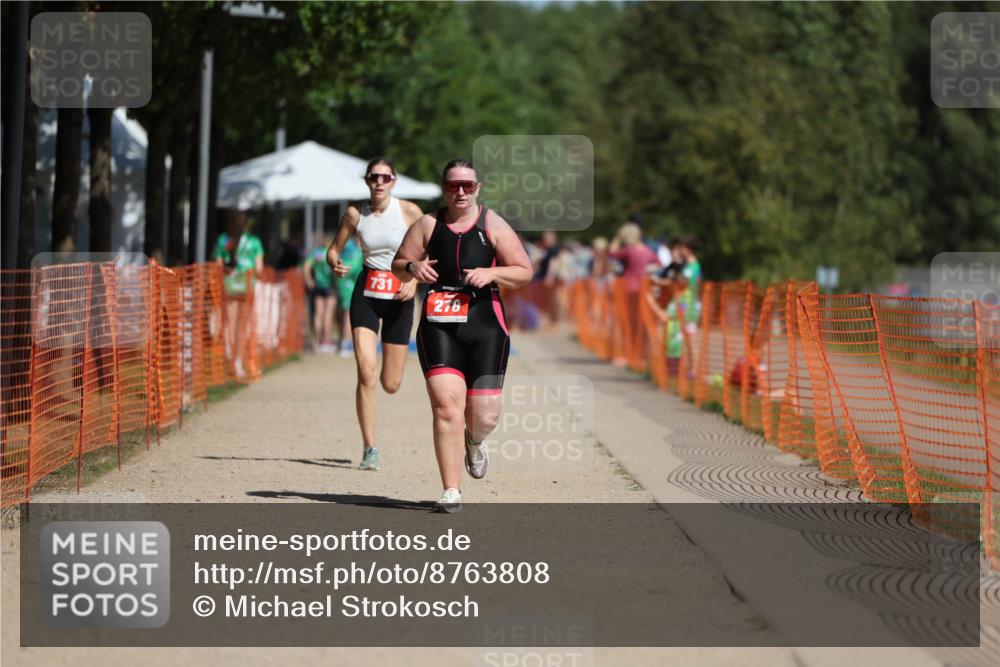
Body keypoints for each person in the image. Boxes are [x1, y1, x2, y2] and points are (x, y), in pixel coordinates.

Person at [392, 159, 532, 512]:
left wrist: (492, 272)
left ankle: (474, 440)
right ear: (444, 188)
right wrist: (413, 267)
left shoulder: (492, 224)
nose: (460, 191)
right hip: (439, 324)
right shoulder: (428, 224)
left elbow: (524, 271)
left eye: (467, 186)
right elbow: (398, 263)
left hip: (484, 323)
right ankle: (451, 490)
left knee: (483, 414)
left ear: (477, 189)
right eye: (454, 185)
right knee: (446, 406)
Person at [326, 158, 424, 470]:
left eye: (385, 177)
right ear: (367, 181)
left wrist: (416, 280)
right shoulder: (356, 214)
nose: (379, 182)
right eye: (373, 177)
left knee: (390, 383)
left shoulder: (408, 211)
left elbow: (432, 250)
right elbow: (333, 249)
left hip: (399, 296)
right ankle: (370, 448)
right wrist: (334, 262)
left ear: (393, 181)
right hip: (366, 294)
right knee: (366, 373)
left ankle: (387, 383)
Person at [213, 210, 264, 380]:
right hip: (239, 287)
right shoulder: (248, 241)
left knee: (236, 324)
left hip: (239, 287)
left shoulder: (227, 240)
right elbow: (259, 269)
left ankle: (234, 359)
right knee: (237, 325)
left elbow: (218, 265)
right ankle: (234, 360)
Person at [608, 222, 660, 366]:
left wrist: (617, 237)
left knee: (629, 323)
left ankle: (630, 353)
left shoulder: (630, 250)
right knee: (642, 322)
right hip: (644, 290)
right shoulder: (648, 251)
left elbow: (611, 252)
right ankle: (642, 354)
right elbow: (658, 264)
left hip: (630, 289)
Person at [304, 234, 336, 351]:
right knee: (328, 313)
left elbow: (306, 267)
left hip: (318, 286)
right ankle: (325, 340)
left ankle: (316, 340)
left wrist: (309, 280)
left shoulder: (316, 253)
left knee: (318, 313)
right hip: (330, 286)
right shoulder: (332, 252)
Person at [334, 237, 364, 357]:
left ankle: (342, 340)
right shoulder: (353, 249)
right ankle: (345, 343)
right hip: (349, 285)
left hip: (346, 284)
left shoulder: (351, 248)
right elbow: (351, 267)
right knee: (348, 314)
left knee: (342, 313)